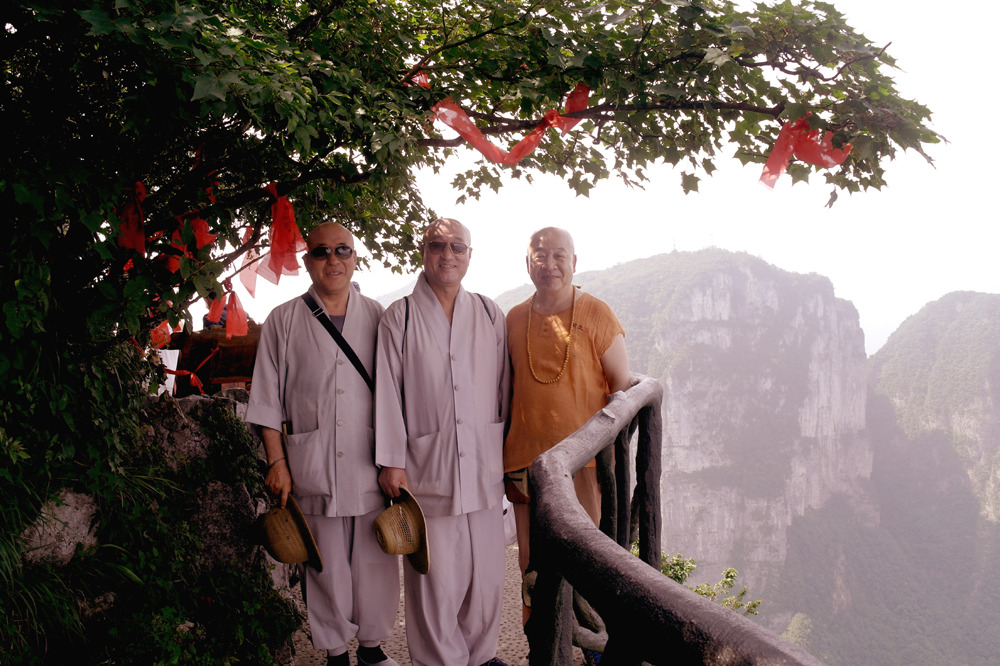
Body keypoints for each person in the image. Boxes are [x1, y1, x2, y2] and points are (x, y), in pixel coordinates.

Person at [245, 222, 400, 666]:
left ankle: (371, 649)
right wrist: (276, 462)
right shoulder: (283, 320)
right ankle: (335, 653)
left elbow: (397, 392)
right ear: (307, 260)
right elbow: (267, 399)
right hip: (310, 463)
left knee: (374, 561)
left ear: (355, 257)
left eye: (342, 250)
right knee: (323, 562)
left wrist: (397, 459)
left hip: (369, 461)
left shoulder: (380, 317)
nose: (333, 259)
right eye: (321, 251)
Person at [375, 218, 509, 666]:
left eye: (457, 246)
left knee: (487, 577)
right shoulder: (400, 317)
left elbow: (504, 390)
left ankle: (481, 657)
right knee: (435, 581)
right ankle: (439, 661)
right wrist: (392, 461)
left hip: (484, 466)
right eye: (437, 245)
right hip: (427, 470)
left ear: (470, 255)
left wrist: (507, 452)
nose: (447, 254)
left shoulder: (489, 313)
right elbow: (388, 392)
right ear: (423, 251)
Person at [503, 226, 631, 616]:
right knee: (531, 562)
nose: (550, 264)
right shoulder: (514, 318)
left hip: (582, 461)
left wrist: (609, 451)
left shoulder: (596, 312)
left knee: (584, 555)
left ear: (573, 262)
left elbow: (621, 386)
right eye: (540, 256)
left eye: (559, 255)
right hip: (524, 460)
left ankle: (587, 636)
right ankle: (539, 636)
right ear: (527, 264)